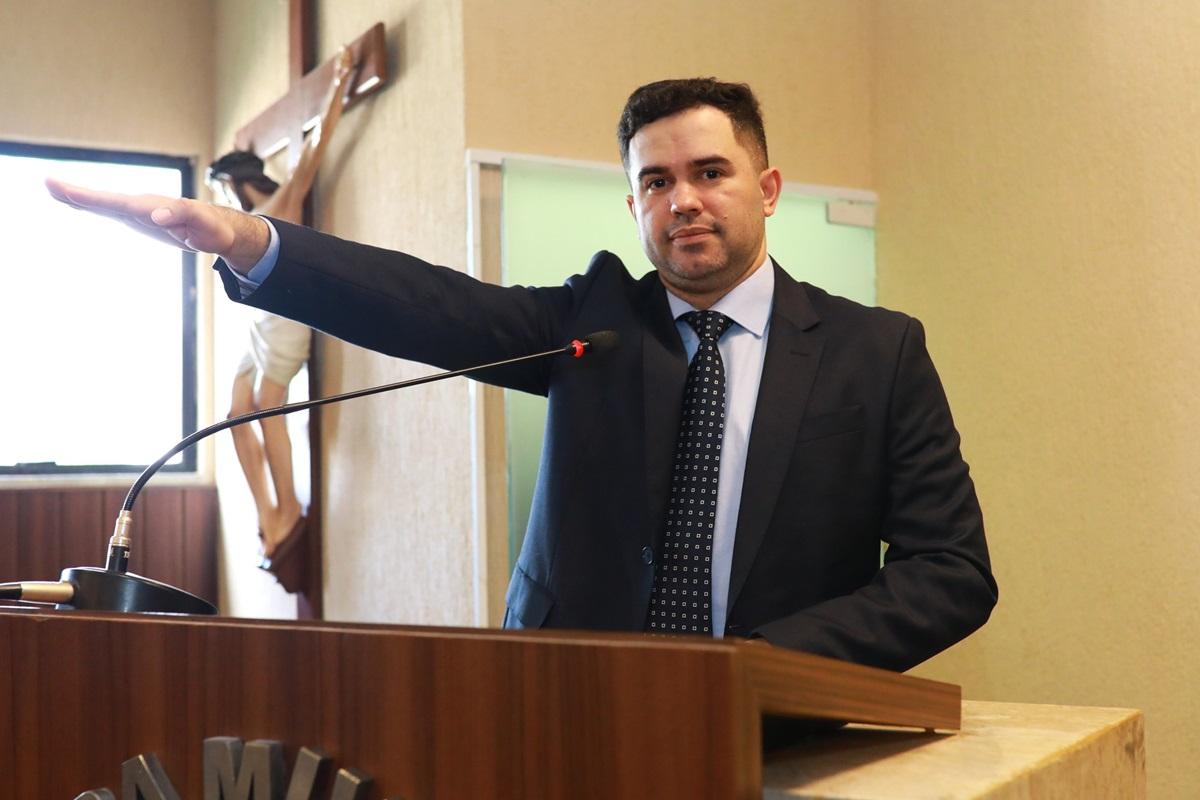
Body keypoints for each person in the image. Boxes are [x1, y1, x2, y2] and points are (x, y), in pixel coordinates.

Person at [46, 78, 997, 671]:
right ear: (633, 204)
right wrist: (252, 242)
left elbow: (950, 574)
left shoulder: (877, 352)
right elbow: (426, 304)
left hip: (782, 727)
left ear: (769, 188)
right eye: (656, 182)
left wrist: (763, 661)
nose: (684, 200)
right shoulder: (593, 323)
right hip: (567, 712)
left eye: (711, 172)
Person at [206, 47, 356, 586]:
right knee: (235, 412)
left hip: (287, 318)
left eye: (226, 189)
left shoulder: (283, 204)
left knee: (270, 406)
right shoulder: (250, 218)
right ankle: (268, 510)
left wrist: (338, 86)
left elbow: (314, 152)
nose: (227, 198)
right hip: (259, 321)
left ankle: (287, 508)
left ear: (240, 183)